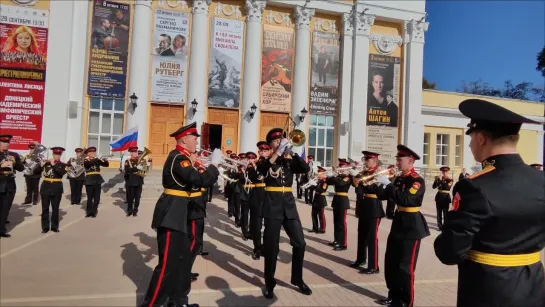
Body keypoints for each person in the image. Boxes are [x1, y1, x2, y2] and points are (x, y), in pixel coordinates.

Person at [434, 99, 545, 307]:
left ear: (482, 139)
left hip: (489, 291)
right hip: (534, 287)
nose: (470, 144)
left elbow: (449, 252)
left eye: (472, 138)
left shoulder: (474, 187)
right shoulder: (541, 180)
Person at [140, 122, 220, 307]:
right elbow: (200, 179)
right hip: (172, 215)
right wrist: (214, 165)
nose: (197, 141)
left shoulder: (184, 157)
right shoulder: (178, 158)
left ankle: (177, 301)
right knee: (167, 265)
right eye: (194, 138)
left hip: (181, 213)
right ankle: (151, 304)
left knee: (182, 262)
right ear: (184, 139)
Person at [256, 128, 312, 299]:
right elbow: (262, 171)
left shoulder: (288, 160)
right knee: (272, 248)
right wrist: (276, 153)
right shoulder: (266, 160)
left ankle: (297, 278)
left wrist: (293, 153)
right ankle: (269, 283)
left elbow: (304, 168)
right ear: (271, 144)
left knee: (300, 243)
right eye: (276, 141)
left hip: (289, 207)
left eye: (281, 139)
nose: (280, 142)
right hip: (272, 208)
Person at [374, 145, 430, 307]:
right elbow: (386, 196)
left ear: (410, 161)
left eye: (400, 159)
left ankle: (406, 301)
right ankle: (393, 295)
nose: (397, 162)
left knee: (406, 266)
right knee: (391, 262)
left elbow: (406, 200)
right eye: (397, 159)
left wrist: (389, 186)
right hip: (399, 223)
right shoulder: (399, 178)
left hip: (412, 226)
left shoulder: (416, 181)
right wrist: (378, 185)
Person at [351, 151, 386, 274]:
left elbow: (379, 190)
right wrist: (355, 179)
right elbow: (357, 187)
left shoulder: (380, 173)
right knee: (361, 235)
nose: (366, 162)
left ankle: (374, 265)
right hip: (364, 205)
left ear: (375, 161)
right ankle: (361, 259)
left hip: (374, 206)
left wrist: (364, 184)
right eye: (365, 159)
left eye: (368, 160)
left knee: (372, 237)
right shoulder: (364, 173)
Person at [0, 134, 25, 238]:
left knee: (5, 208)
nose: (6, 144)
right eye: (4, 142)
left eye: (8, 142)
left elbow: (21, 168)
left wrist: (15, 163)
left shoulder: (14, 154)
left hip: (9, 184)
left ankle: (2, 230)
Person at [248, 141, 269, 260]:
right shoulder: (255, 164)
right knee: (256, 225)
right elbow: (254, 177)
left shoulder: (272, 163)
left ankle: (265, 248)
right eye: (261, 151)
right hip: (257, 195)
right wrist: (251, 166)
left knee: (268, 225)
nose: (263, 152)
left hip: (268, 196)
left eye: (265, 150)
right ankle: (257, 248)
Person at [325, 158, 352, 251]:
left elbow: (339, 183)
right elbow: (328, 182)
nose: (340, 168)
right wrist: (330, 176)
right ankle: (337, 240)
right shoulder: (339, 177)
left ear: (347, 168)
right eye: (339, 166)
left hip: (343, 201)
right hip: (336, 200)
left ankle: (343, 243)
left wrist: (334, 175)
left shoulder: (347, 177)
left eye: (342, 167)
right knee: (336, 222)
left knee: (342, 223)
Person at [39, 147, 67, 233]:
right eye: (56, 154)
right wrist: (40, 165)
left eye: (59, 154)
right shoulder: (46, 163)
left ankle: (54, 226)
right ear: (53, 154)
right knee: (45, 208)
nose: (57, 156)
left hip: (57, 187)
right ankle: (45, 227)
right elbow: (36, 171)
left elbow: (61, 173)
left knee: (55, 208)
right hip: (46, 186)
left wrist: (53, 165)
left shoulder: (63, 165)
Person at [83, 147, 109, 218]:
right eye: (91, 152)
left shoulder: (97, 160)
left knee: (97, 197)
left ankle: (94, 211)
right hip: (89, 179)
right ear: (88, 153)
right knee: (90, 197)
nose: (93, 153)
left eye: (94, 152)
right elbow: (88, 164)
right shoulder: (86, 160)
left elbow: (106, 165)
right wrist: (97, 158)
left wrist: (104, 159)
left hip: (97, 179)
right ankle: (89, 212)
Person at [124, 146, 144, 217]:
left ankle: (135, 210)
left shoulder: (141, 160)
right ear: (131, 153)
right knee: (130, 197)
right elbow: (127, 170)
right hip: (131, 181)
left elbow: (144, 170)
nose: (136, 153)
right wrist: (136, 168)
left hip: (139, 181)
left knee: (137, 197)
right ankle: (129, 210)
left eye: (136, 152)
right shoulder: (127, 161)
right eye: (134, 152)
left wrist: (146, 165)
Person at [241, 152, 257, 241]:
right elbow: (240, 179)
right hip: (245, 193)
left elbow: (258, 177)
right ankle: (245, 231)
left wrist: (254, 165)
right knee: (245, 214)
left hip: (254, 193)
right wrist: (243, 169)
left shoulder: (256, 168)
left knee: (253, 214)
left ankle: (251, 231)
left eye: (252, 158)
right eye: (248, 158)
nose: (250, 160)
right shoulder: (242, 168)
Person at [432, 166, 453, 231]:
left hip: (445, 197)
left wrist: (440, 180)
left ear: (448, 172)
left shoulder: (450, 180)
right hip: (439, 197)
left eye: (445, 172)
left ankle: (445, 226)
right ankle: (440, 226)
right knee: (439, 213)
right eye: (443, 172)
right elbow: (434, 186)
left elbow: (446, 187)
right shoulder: (439, 179)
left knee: (445, 213)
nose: (444, 173)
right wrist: (437, 180)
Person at [309, 166, 328, 234]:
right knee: (313, 214)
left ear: (323, 174)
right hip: (316, 198)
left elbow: (322, 190)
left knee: (321, 215)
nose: (318, 174)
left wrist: (315, 185)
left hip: (321, 199)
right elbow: (311, 189)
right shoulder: (318, 181)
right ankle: (315, 228)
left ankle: (322, 229)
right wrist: (311, 183)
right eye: (318, 173)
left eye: (319, 173)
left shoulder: (325, 181)